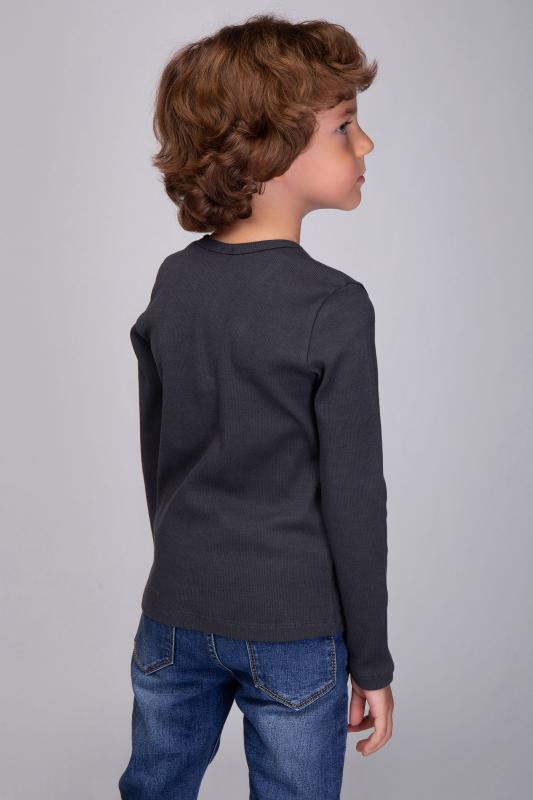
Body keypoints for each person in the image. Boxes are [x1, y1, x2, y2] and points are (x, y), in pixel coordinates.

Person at [118, 13, 395, 800]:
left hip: (173, 615)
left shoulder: (176, 281)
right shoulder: (332, 305)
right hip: (293, 630)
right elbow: (354, 498)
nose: (365, 144)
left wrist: (185, 564)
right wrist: (371, 664)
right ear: (270, 148)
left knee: (154, 787)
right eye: (344, 126)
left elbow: (159, 452)